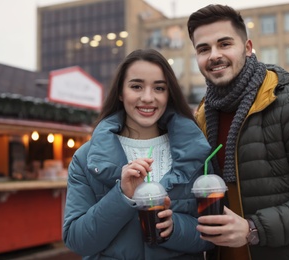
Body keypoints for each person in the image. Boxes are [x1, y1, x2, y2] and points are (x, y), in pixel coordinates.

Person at [186, 4, 289, 260]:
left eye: (225, 44)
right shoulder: (203, 116)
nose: (214, 55)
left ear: (248, 48)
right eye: (203, 49)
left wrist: (253, 229)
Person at [62, 48, 215, 259]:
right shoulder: (86, 158)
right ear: (120, 92)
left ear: (169, 94)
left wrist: (175, 227)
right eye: (136, 86)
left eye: (159, 88)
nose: (147, 97)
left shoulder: (195, 153)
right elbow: (77, 241)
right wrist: (122, 195)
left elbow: (213, 234)